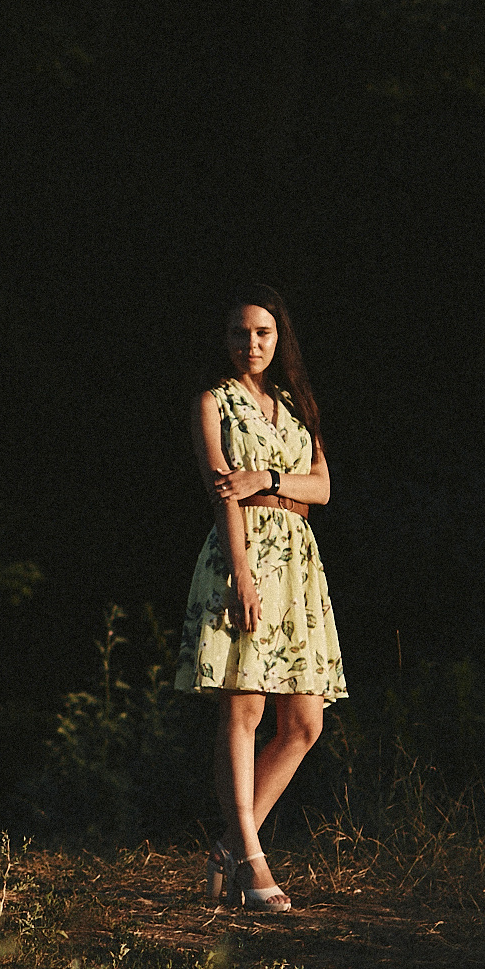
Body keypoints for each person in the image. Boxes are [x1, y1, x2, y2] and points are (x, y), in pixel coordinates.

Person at [176, 284, 346, 913]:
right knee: (243, 708)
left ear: (280, 339)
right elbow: (223, 492)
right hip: (241, 557)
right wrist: (241, 575)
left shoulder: (295, 404)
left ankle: (228, 845)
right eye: (242, 333)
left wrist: (270, 479)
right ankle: (251, 855)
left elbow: (324, 487)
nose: (252, 344)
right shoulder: (211, 402)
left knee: (304, 721)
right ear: (226, 339)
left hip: (298, 565)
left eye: (264, 333)